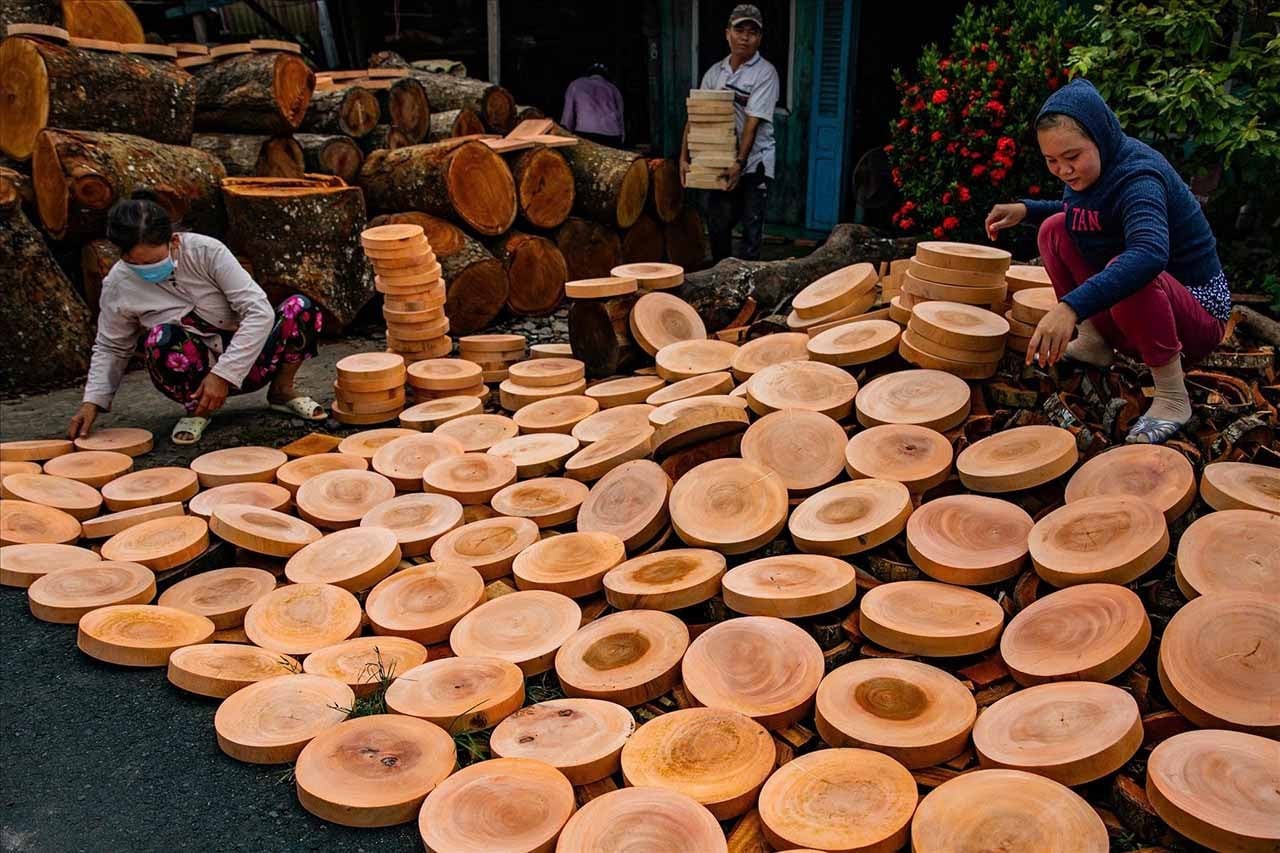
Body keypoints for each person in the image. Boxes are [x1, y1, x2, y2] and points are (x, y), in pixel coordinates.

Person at [986, 79, 1230, 445]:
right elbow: (1081, 212)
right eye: (1051, 161)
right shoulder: (1091, 172)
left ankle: (1172, 397)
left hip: (1195, 320)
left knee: (1134, 269)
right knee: (1055, 229)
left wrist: (1070, 307)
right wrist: (1027, 209)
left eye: (1072, 158)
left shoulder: (1139, 177)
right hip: (1147, 312)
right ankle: (1095, 342)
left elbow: (1148, 255)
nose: (1063, 170)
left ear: (1100, 138)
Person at [67, 190, 327, 446]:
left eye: (156, 261)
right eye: (139, 265)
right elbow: (111, 346)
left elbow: (258, 310)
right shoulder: (118, 284)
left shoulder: (206, 251)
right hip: (194, 373)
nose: (148, 270)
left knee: (301, 308)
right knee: (160, 339)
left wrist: (224, 375)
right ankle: (198, 411)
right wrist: (93, 402)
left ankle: (282, 391)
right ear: (121, 255)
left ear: (175, 241)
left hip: (252, 359)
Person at [681, 3, 779, 262]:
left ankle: (749, 294)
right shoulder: (716, 72)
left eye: (753, 32)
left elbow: (752, 122)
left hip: (753, 162)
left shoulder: (765, 73)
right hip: (720, 160)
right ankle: (720, 282)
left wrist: (740, 162)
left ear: (760, 38)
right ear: (727, 33)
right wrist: (684, 157)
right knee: (718, 226)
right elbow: (696, 115)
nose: (745, 37)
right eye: (740, 30)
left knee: (750, 230)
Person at [561, 62, 625, 147]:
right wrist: (622, 137)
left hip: (586, 132)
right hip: (612, 135)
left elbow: (568, 114)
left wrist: (565, 134)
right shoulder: (613, 88)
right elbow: (620, 115)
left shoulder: (576, 84)